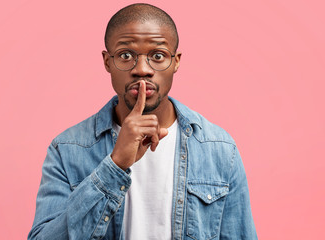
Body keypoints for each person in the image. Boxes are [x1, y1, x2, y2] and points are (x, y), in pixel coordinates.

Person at [28, 3, 257, 240]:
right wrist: (115, 166)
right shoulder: (67, 149)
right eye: (126, 55)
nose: (142, 69)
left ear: (175, 61)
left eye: (157, 56)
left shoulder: (219, 149)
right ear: (107, 62)